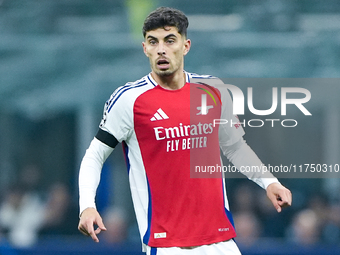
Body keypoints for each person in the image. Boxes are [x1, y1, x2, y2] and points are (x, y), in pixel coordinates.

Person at [78, 6, 292, 255]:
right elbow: (94, 155)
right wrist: (87, 206)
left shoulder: (212, 89)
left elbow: (234, 146)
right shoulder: (130, 100)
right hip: (168, 246)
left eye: (169, 40)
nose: (161, 49)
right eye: (153, 41)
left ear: (186, 46)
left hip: (221, 242)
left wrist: (269, 182)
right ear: (145, 48)